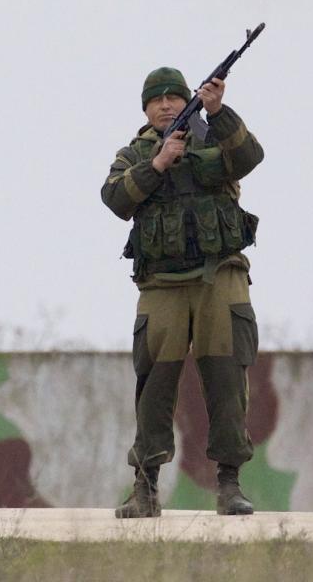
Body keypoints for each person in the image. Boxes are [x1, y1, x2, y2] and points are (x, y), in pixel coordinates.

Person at [101, 67, 263, 518]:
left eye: (175, 97)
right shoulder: (134, 153)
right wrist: (157, 164)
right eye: (157, 99)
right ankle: (146, 488)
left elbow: (249, 156)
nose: (167, 105)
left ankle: (229, 484)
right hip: (162, 286)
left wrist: (218, 111)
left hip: (220, 277)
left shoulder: (214, 138)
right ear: (146, 108)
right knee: (154, 384)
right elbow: (114, 198)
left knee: (227, 380)